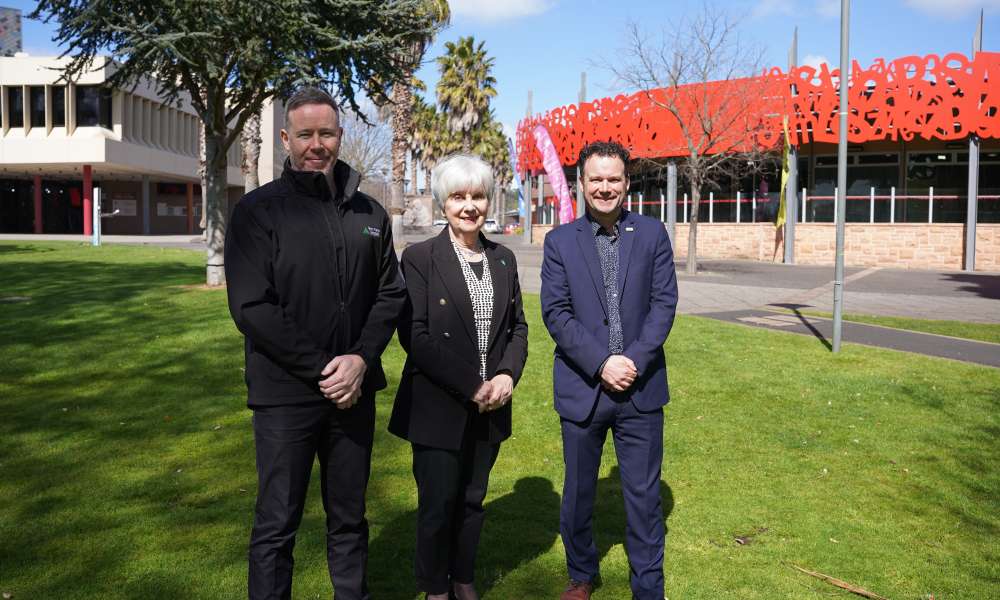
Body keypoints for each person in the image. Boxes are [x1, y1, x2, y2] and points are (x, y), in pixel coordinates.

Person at [225, 86, 406, 600]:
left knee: (349, 518)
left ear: (340, 135)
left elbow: (389, 294)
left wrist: (359, 360)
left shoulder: (370, 214)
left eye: (326, 133)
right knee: (277, 524)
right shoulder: (258, 212)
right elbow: (252, 307)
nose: (316, 144)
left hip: (353, 396)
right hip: (285, 397)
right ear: (286, 138)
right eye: (305, 134)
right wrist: (326, 368)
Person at [540, 140, 678, 600]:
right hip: (585, 388)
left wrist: (631, 362)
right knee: (579, 495)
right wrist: (601, 364)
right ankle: (581, 576)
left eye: (613, 179)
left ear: (627, 182)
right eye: (595, 179)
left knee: (643, 499)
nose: (604, 188)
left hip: (640, 390)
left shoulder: (653, 234)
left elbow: (663, 306)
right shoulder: (559, 242)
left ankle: (648, 588)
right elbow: (556, 313)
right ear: (582, 183)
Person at [388, 153, 529, 600]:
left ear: (489, 201)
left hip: (492, 404)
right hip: (439, 404)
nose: (469, 205)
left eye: (478, 196)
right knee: (437, 504)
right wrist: (471, 385)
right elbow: (415, 334)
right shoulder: (420, 257)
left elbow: (518, 327)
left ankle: (463, 578)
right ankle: (434, 587)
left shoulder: (503, 259)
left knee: (472, 500)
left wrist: (507, 375)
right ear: (442, 203)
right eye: (458, 196)